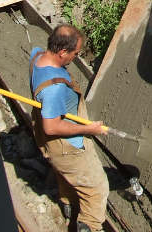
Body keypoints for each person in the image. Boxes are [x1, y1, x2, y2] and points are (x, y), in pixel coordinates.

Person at [29, 24, 109, 232]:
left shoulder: (38, 55)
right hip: (67, 146)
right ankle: (88, 226)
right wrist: (88, 130)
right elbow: (52, 127)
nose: (75, 57)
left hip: (50, 143)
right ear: (63, 52)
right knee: (97, 188)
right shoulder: (54, 89)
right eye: (75, 53)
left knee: (67, 175)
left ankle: (68, 203)